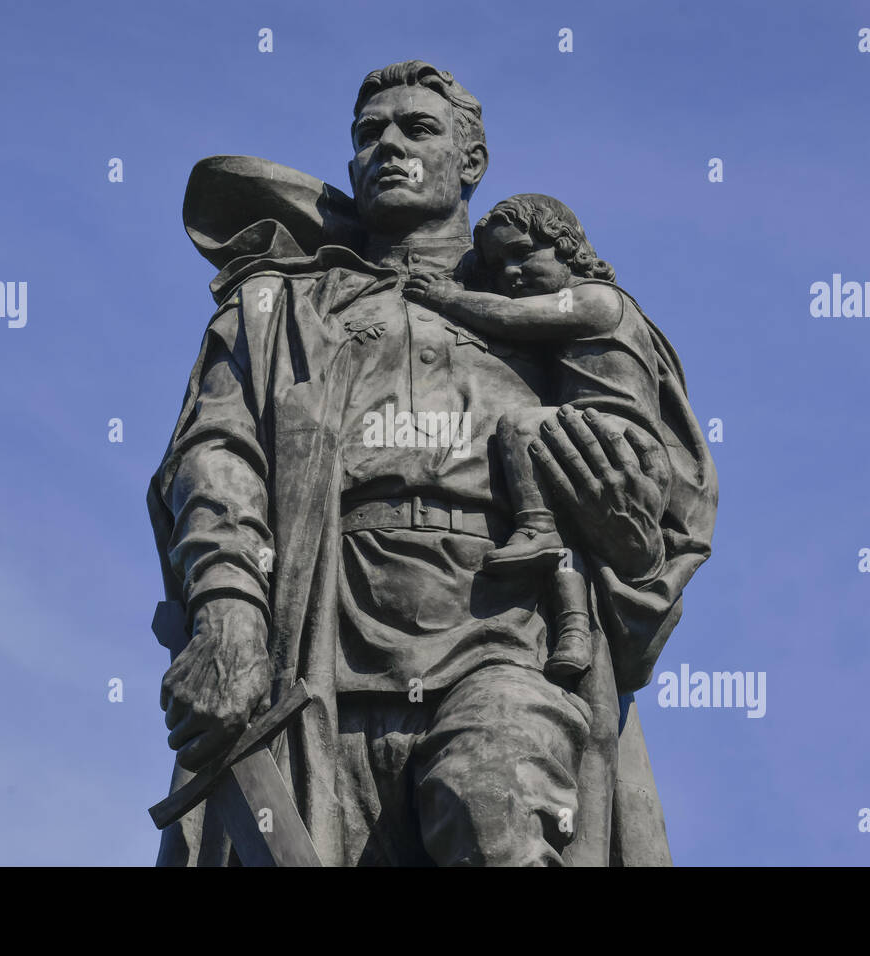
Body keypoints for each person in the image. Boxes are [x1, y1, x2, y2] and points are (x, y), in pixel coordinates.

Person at [147, 61, 718, 866]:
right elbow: (215, 460)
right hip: (315, 647)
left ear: (471, 162)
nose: (388, 146)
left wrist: (627, 528)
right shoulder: (277, 308)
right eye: (368, 134)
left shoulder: (549, 303)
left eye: (417, 128)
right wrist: (228, 610)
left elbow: (659, 505)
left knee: (495, 803)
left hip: (505, 635)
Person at [403, 193, 660, 679]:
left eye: (524, 254)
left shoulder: (598, 300)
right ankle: (573, 635)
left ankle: (535, 523)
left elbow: (509, 317)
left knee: (521, 424)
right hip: (584, 438)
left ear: (567, 247)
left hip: (620, 439)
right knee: (565, 548)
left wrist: (447, 298)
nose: (511, 273)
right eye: (499, 263)